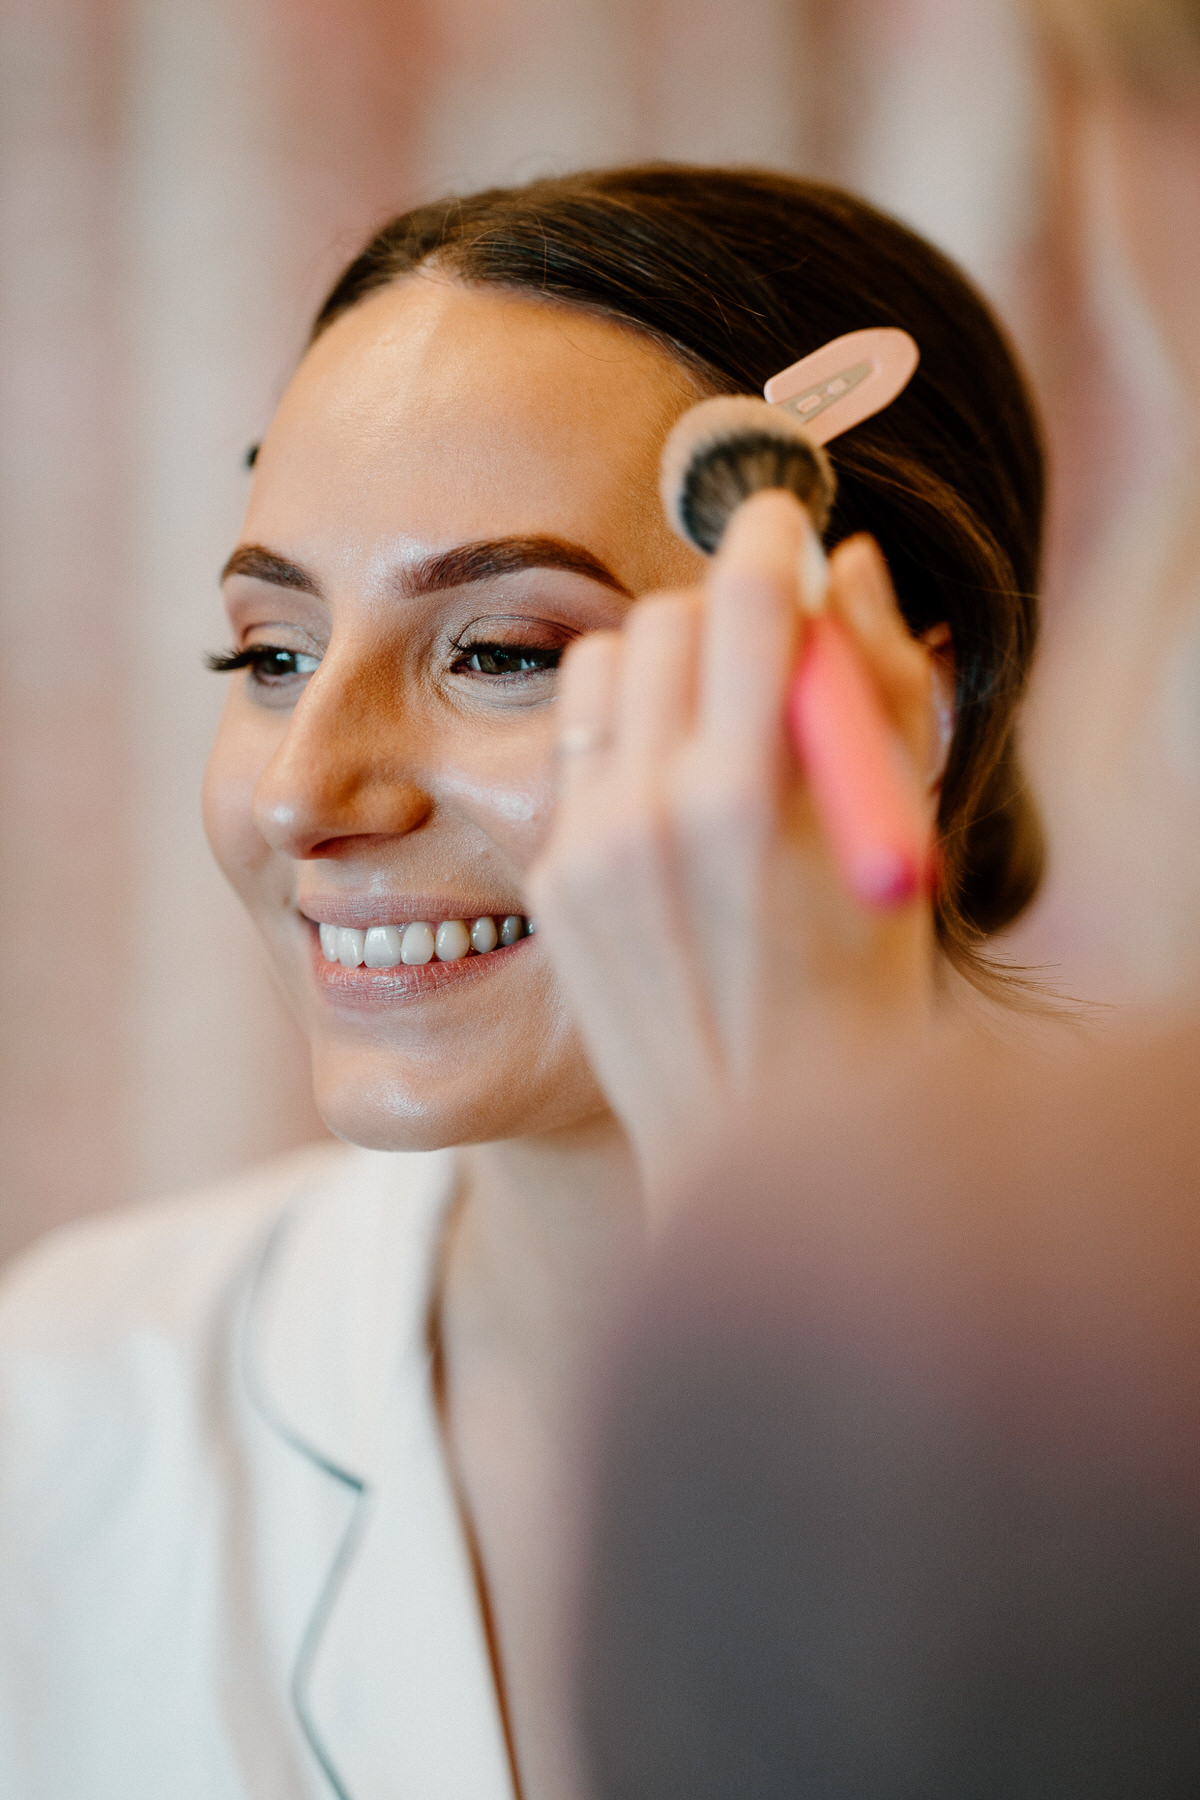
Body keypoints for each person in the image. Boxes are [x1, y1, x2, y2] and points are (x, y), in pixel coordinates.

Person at [0, 166, 1046, 1800]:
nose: (305, 793)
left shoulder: (1131, 1427)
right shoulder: (67, 1417)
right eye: (271, 655)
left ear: (901, 720)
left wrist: (764, 1226)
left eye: (504, 651)